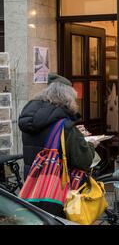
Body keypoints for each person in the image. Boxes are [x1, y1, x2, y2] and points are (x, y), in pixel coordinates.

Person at [19, 74, 97, 217]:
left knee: (40, 218)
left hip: (33, 181)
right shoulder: (64, 125)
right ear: (67, 97)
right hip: (56, 188)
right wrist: (90, 145)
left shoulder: (30, 119)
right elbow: (83, 160)